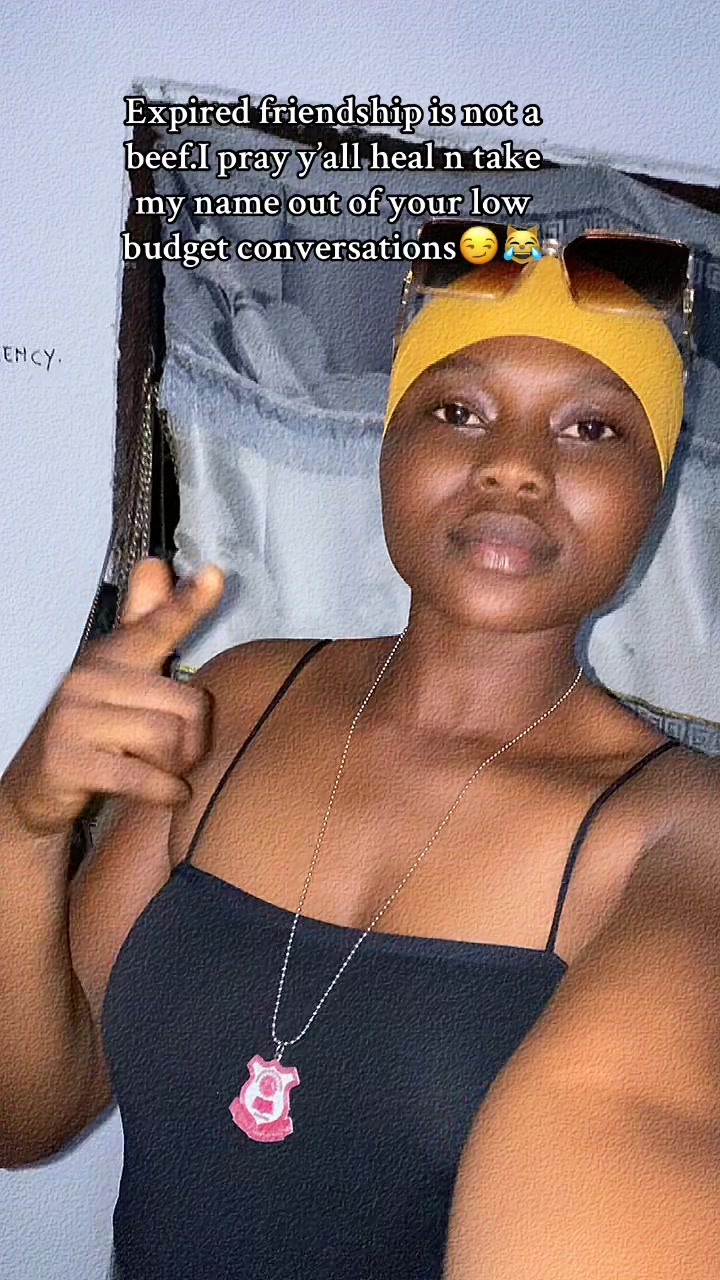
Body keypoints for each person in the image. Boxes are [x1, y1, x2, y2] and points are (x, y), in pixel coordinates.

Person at [0, 228, 716, 1280]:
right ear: (389, 446)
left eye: (592, 427)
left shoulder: (683, 831)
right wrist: (23, 822)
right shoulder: (239, 700)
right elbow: (30, 1114)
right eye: (458, 411)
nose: (515, 466)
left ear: (652, 489)